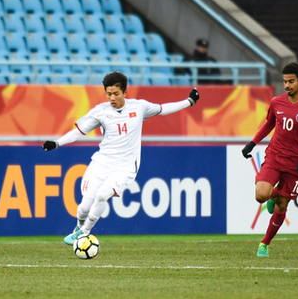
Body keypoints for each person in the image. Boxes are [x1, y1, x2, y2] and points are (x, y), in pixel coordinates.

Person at [42, 71, 200, 245]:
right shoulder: (100, 112)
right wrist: (57, 143)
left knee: (102, 195)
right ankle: (79, 228)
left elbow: (163, 109)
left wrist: (189, 102)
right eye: (108, 94)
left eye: (116, 94)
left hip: (124, 167)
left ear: (125, 92)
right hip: (101, 163)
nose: (112, 98)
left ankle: (84, 233)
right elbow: (78, 132)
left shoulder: (139, 107)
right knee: (84, 208)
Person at [242, 62, 298, 257]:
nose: (287, 85)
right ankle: (274, 195)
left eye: (291, 81)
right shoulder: (276, 102)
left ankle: (264, 243)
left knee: (282, 205)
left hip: (296, 164)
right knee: (261, 195)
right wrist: (252, 143)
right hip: (275, 157)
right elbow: (268, 123)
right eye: (285, 81)